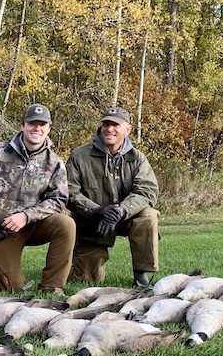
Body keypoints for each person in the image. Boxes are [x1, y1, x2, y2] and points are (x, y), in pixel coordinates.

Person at [0, 103, 75, 294]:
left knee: (66, 224)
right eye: (32, 123)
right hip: (1, 228)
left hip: (34, 225)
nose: (37, 128)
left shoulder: (54, 162)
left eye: (42, 124)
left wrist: (27, 216)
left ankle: (52, 285)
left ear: (48, 128)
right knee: (13, 288)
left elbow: (58, 199)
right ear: (22, 125)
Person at [66, 106, 159, 287]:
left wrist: (122, 210)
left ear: (128, 129)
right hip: (92, 221)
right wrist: (97, 211)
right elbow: (69, 192)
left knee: (149, 215)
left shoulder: (138, 158)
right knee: (87, 280)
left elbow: (147, 191)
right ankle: (76, 263)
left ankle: (142, 274)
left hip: (126, 217)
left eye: (116, 125)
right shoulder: (80, 156)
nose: (110, 129)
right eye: (106, 124)